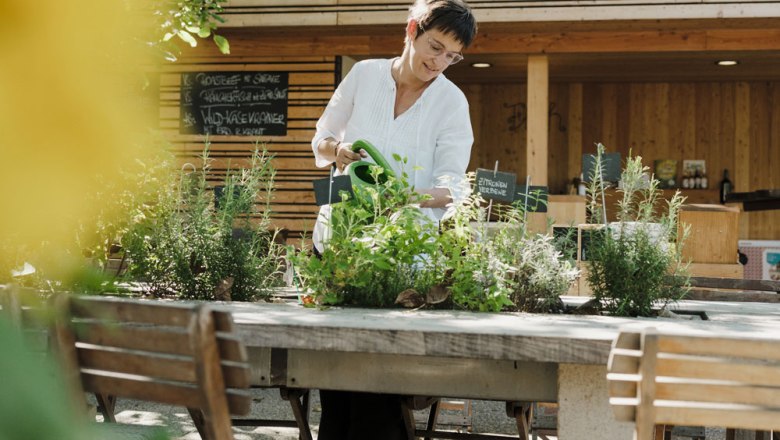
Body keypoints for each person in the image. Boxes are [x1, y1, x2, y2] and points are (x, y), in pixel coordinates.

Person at [309, 1, 478, 438]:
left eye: (451, 57)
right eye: (434, 47)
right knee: (336, 381)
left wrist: (405, 197)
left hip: (398, 256)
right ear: (411, 30)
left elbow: (453, 187)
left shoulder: (451, 102)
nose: (438, 63)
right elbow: (322, 138)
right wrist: (339, 152)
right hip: (338, 245)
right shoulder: (364, 75)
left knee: (380, 385)